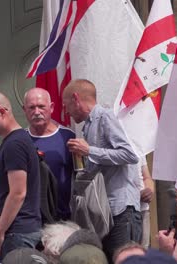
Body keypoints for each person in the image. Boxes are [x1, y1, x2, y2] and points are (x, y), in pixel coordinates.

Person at [62, 79, 141, 261]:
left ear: (76, 98)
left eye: (67, 105)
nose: (66, 111)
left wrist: (89, 150)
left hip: (121, 210)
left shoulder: (105, 117)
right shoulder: (88, 126)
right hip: (106, 211)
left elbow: (130, 155)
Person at [0, 92, 41, 262]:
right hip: (16, 232)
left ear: (2, 112)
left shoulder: (15, 144)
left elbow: (18, 193)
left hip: (16, 233)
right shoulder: (15, 141)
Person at [22, 87, 75, 220]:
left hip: (63, 218)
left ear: (51, 108)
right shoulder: (19, 140)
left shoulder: (68, 137)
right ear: (24, 110)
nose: (37, 112)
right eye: (31, 107)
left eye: (41, 106)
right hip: (29, 220)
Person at [136, 156, 154, 248]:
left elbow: (146, 177)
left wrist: (149, 188)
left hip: (143, 209)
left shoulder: (139, 147)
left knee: (144, 250)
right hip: (124, 211)